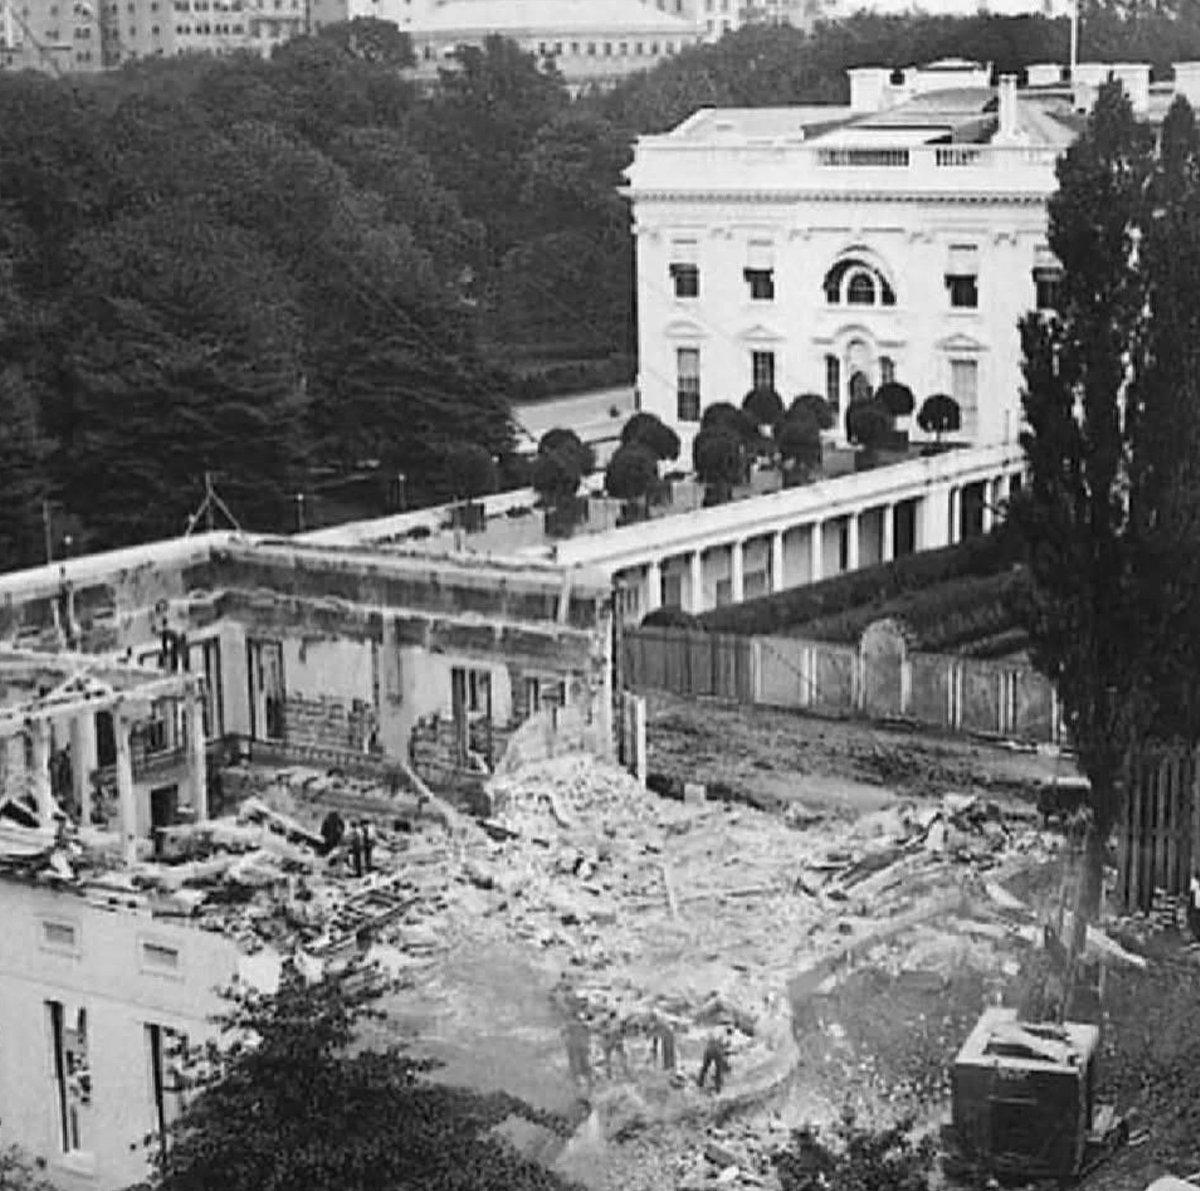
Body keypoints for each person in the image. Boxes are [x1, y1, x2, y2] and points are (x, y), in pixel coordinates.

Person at [698, 1028, 731, 1093]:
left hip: (708, 1049)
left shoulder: (715, 1029)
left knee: (705, 1067)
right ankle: (718, 1089)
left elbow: (705, 1038)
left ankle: (700, 1082)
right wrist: (726, 1047)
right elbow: (725, 1045)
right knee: (718, 1070)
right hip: (717, 1050)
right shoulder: (725, 1034)